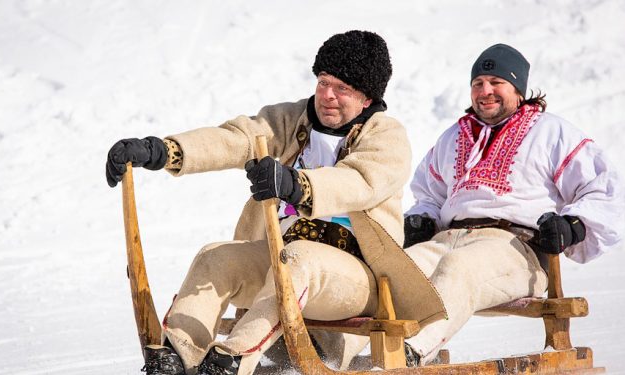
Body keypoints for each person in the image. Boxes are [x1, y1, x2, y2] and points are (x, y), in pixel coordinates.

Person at [106, 30, 411, 375]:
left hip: (357, 278)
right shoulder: (295, 119)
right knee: (216, 257)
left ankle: (232, 361)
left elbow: (359, 182)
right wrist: (163, 151)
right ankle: (177, 356)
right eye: (324, 81)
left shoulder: (387, 137)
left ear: (367, 98)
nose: (327, 95)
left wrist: (297, 185)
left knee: (297, 261)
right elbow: (235, 139)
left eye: (342, 88)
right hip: (286, 256)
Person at [401, 43, 625, 365]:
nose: (486, 91)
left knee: (458, 269)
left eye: (497, 82)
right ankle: (332, 358)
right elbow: (429, 194)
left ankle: (407, 355)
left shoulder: (552, 132)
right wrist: (422, 218)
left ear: (519, 89)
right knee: (395, 274)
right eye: (478, 83)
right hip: (448, 240)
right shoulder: (453, 136)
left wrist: (573, 224)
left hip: (513, 249)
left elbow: (603, 188)